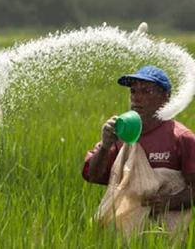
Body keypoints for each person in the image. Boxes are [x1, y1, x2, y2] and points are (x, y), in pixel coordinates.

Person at [82, 65, 195, 215]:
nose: (136, 97)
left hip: (167, 233)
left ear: (165, 97)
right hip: (123, 232)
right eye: (133, 91)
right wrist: (105, 146)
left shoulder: (181, 138)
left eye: (146, 91)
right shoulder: (120, 134)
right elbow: (93, 176)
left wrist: (168, 201)